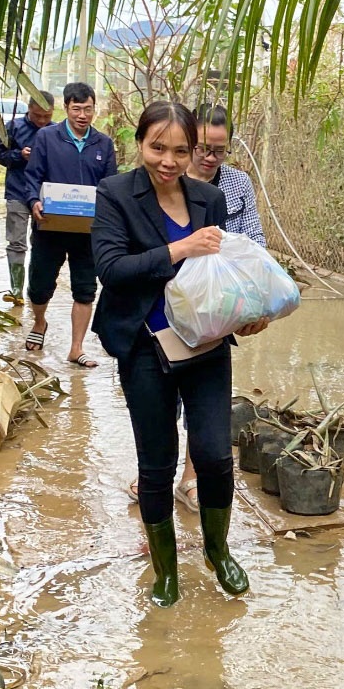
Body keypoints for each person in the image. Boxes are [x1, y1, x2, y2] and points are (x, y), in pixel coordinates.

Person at [90, 101, 269, 607]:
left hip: (205, 343)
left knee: (214, 454)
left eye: (180, 151)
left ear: (195, 151)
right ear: (140, 142)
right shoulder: (115, 194)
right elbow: (111, 268)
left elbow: (224, 272)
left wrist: (249, 310)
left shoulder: (208, 197)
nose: (168, 161)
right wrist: (179, 248)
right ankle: (165, 569)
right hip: (144, 345)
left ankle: (217, 549)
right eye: (157, 148)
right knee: (157, 462)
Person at [129, 102, 270, 509]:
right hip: (156, 320)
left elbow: (250, 246)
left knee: (204, 410)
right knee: (158, 404)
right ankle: (155, 472)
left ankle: (190, 478)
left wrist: (254, 303)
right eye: (203, 148)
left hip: (212, 313)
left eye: (219, 150)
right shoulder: (155, 181)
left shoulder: (233, 187)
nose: (210, 158)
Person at [23, 82, 117, 368]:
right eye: (77, 109)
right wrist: (33, 201)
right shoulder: (47, 138)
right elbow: (32, 176)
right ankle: (39, 322)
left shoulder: (103, 144)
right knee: (39, 286)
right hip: (49, 226)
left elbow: (110, 185)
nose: (83, 115)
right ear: (66, 108)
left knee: (86, 289)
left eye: (88, 109)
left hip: (87, 233)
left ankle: (76, 348)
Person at [0, 90, 55, 305]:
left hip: (45, 196)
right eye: (37, 116)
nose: (42, 121)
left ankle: (36, 291)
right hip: (18, 192)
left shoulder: (57, 131)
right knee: (16, 242)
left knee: (41, 244)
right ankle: (16, 289)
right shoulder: (13, 127)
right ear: (29, 110)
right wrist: (20, 155)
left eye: (46, 117)